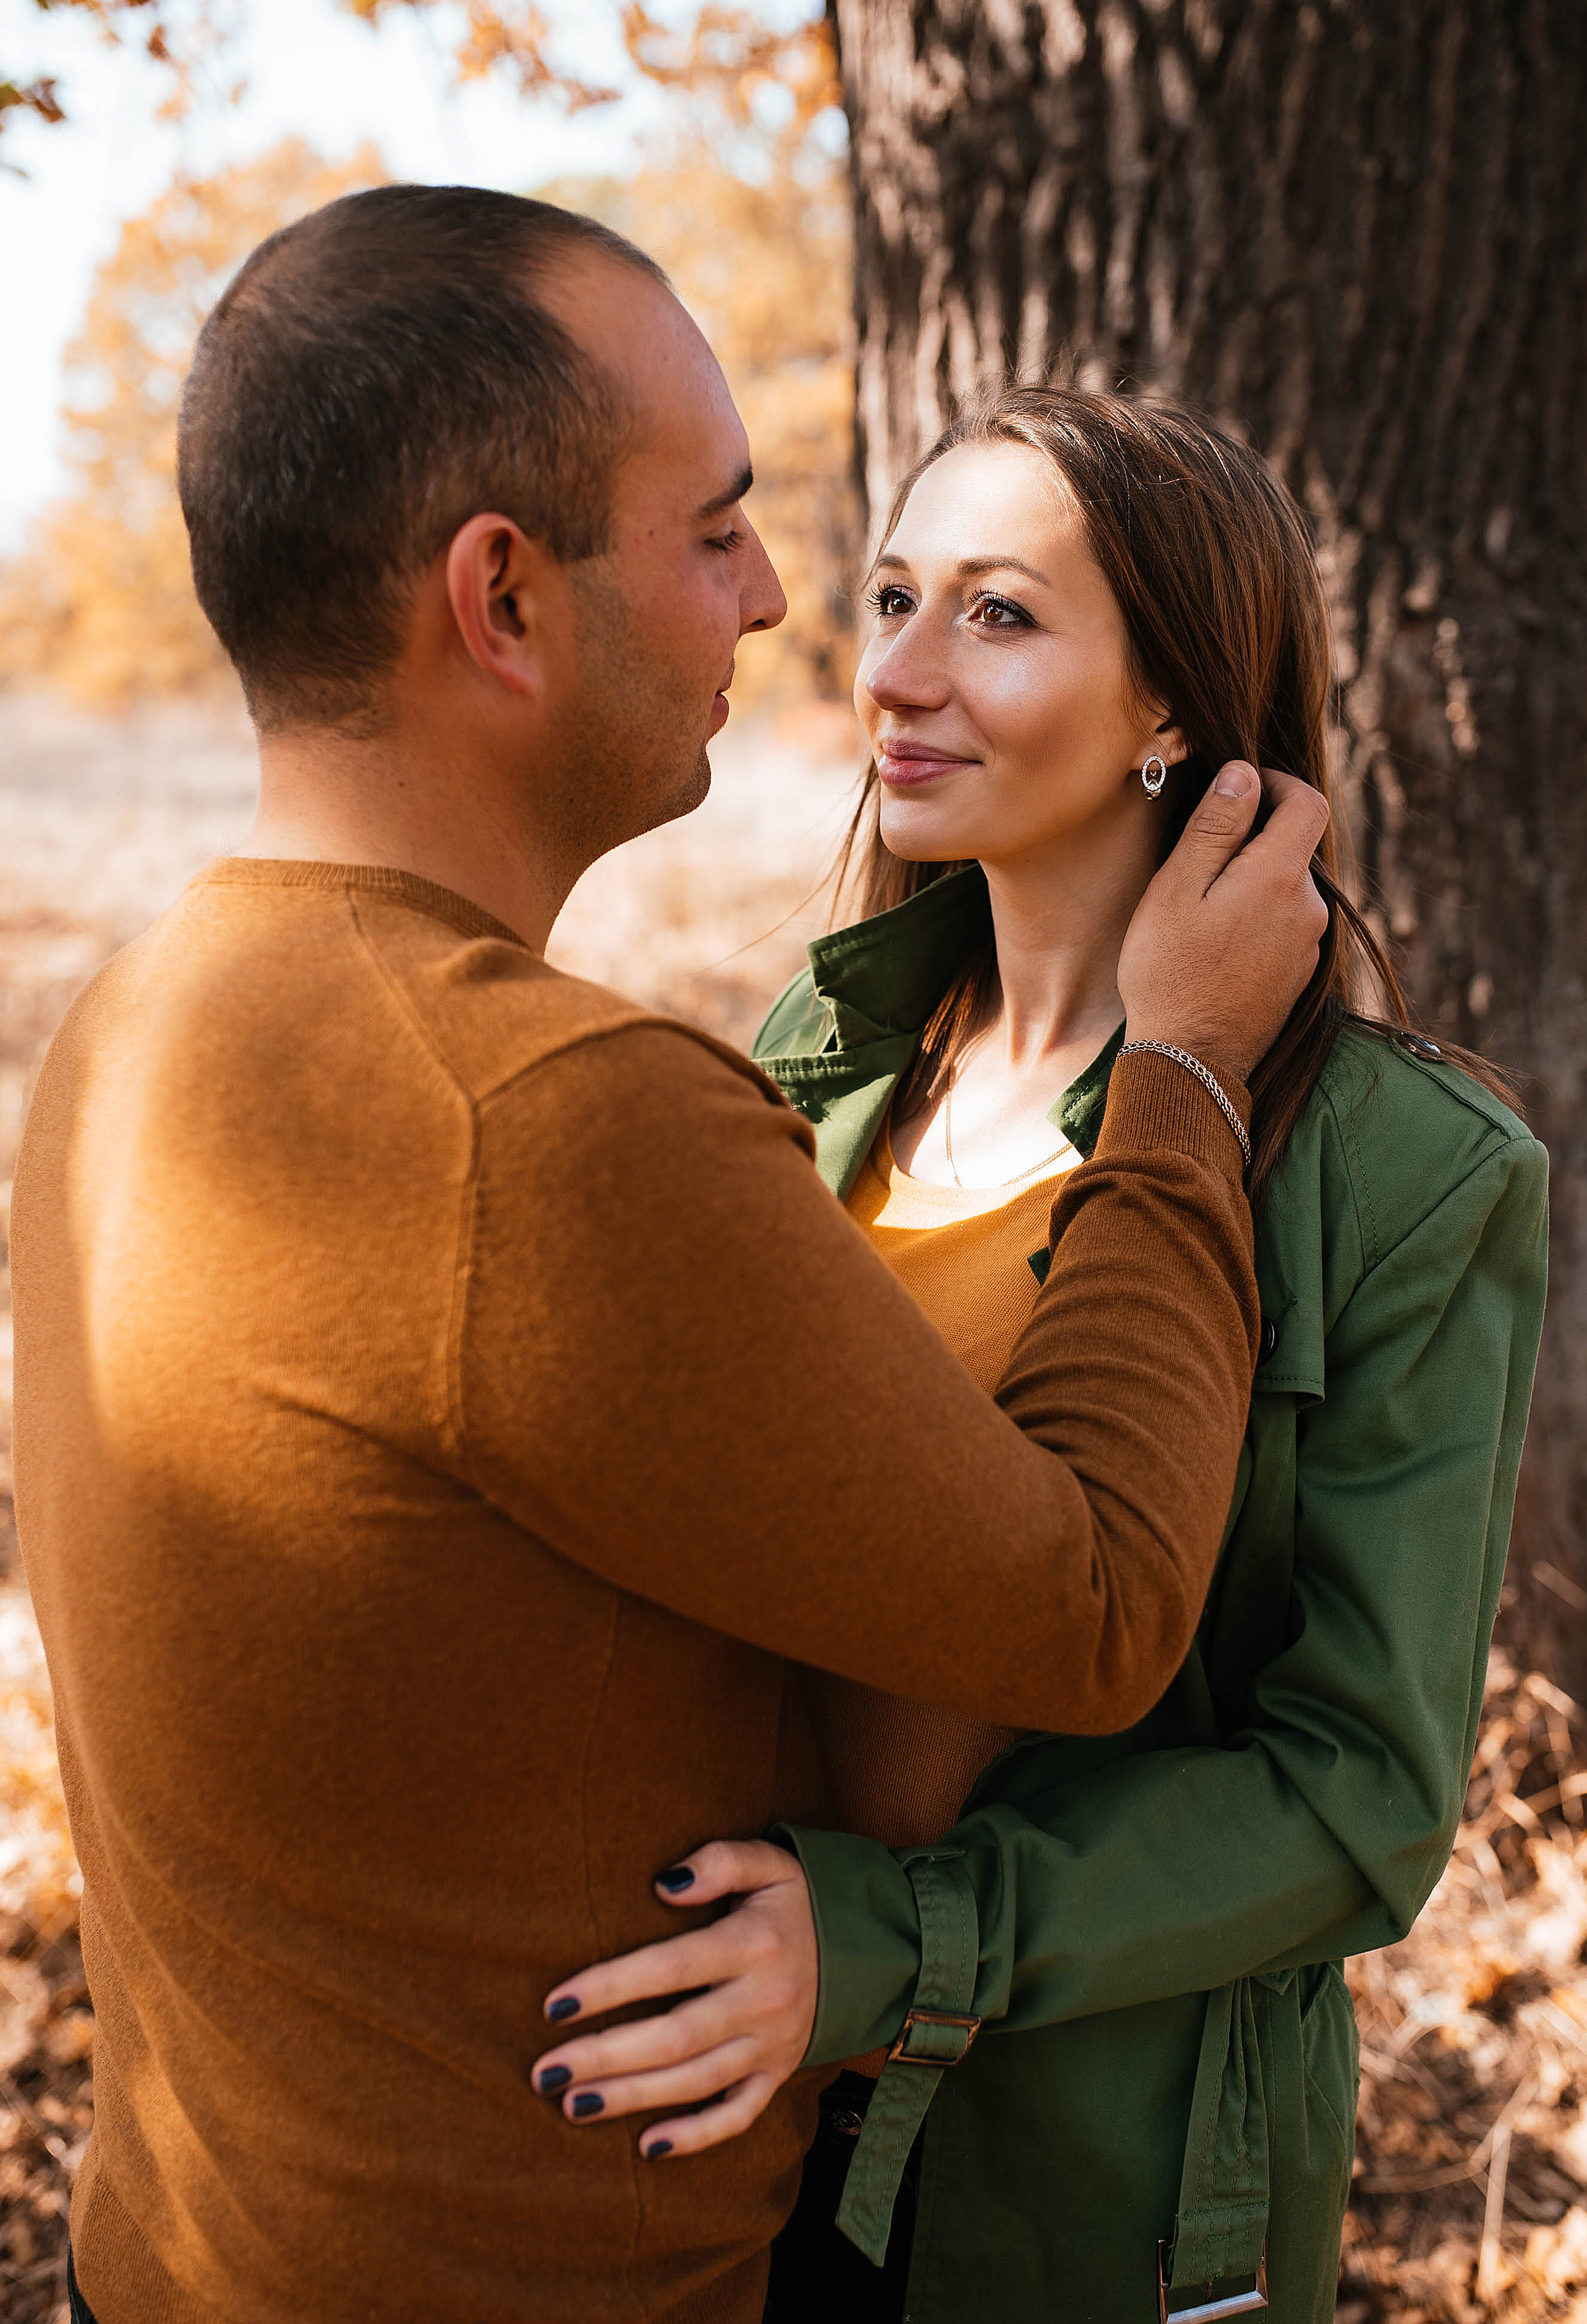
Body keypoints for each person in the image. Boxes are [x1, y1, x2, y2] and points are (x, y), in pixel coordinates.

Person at [9, 197, 1331, 2324]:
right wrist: (1176, 1070)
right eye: (717, 529)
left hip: (168, 2264)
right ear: (505, 597)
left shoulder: (139, 1020)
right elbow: (1084, 1614)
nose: (787, 599)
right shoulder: (545, 1121)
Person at [526, 389, 1550, 2324]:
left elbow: (1360, 1797)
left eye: (997, 616)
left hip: (1080, 2173)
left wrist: (894, 1942)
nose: (895, 673)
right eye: (895, 596)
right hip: (726, 2123)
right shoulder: (814, 1073)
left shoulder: (1409, 1172)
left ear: (1176, 705)